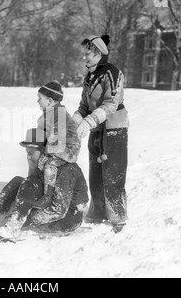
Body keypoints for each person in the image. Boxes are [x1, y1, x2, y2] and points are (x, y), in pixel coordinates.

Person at [0, 128, 89, 237]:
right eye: (27, 153)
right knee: (18, 181)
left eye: (31, 152)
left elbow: (59, 211)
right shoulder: (42, 164)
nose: (28, 157)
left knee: (30, 183)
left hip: (68, 219)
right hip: (50, 209)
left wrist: (30, 218)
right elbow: (28, 192)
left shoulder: (65, 169)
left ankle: (13, 227)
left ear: (44, 150)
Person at [72, 35, 129, 233]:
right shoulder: (90, 76)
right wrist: (76, 121)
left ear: (98, 53)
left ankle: (118, 217)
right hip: (95, 128)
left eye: (87, 54)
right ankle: (97, 213)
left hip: (114, 129)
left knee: (113, 173)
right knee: (95, 174)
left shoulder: (112, 73)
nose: (84, 58)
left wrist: (89, 120)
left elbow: (111, 103)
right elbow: (83, 106)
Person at [33, 81, 81, 209]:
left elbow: (57, 137)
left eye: (40, 98)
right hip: (58, 145)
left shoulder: (58, 113)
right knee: (41, 161)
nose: (37, 101)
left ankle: (48, 196)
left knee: (50, 164)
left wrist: (47, 151)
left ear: (49, 100)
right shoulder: (50, 112)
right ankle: (39, 187)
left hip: (68, 148)